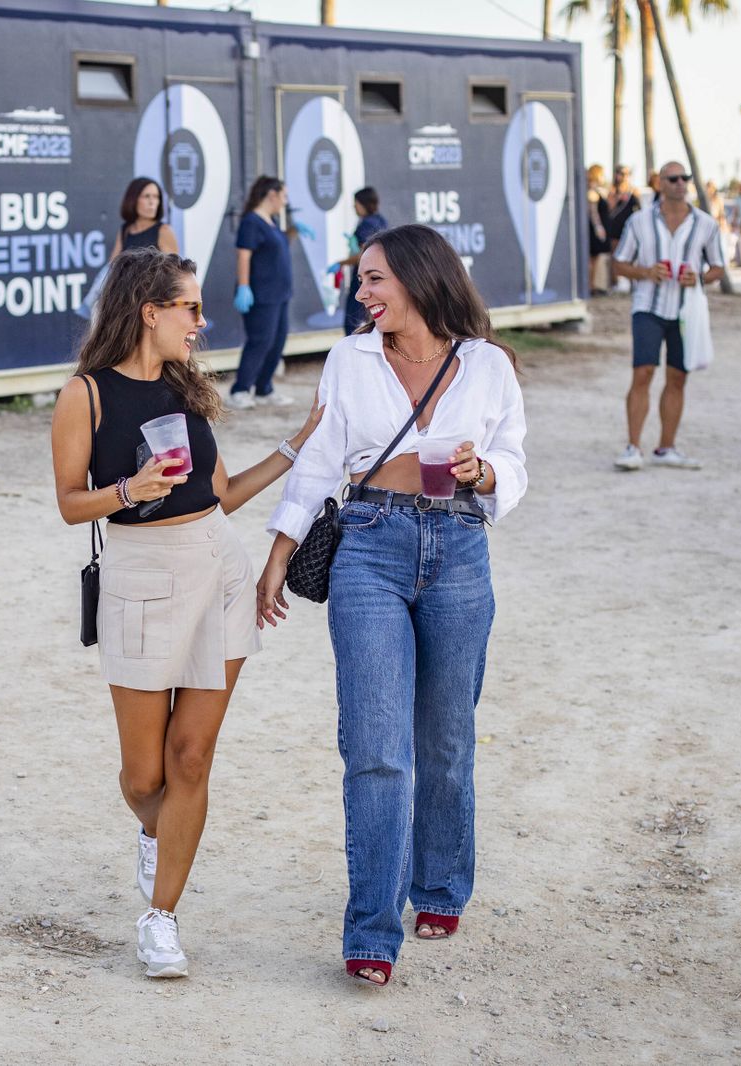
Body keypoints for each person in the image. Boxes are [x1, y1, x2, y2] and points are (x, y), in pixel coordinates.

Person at [255, 224, 527, 989]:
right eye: (362, 282)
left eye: (375, 280)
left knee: (445, 738)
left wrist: (482, 472)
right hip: (368, 545)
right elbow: (317, 463)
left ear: (418, 278)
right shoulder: (349, 359)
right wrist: (279, 553)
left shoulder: (487, 366)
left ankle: (439, 884)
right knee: (377, 745)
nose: (363, 294)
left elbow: (515, 460)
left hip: (459, 548)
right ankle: (372, 927)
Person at [49, 248, 323, 979]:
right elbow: (70, 502)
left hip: (217, 566)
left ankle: (161, 919)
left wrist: (299, 444)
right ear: (151, 310)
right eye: (191, 309)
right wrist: (130, 489)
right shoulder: (86, 395)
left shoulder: (186, 387)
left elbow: (222, 493)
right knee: (144, 778)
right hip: (139, 574)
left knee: (191, 757)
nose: (202, 322)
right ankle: (156, 831)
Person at [610, 160, 726, 472]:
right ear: (659, 183)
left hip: (686, 311)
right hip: (648, 306)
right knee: (643, 373)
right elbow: (619, 264)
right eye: (672, 178)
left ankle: (666, 448)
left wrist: (699, 276)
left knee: (678, 377)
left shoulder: (705, 224)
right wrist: (646, 272)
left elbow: (718, 267)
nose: (680, 183)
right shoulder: (639, 222)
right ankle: (633, 447)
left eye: (684, 178)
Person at [231, 176, 309, 409]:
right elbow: (243, 255)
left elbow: (278, 246)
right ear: (271, 194)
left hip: (280, 294)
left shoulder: (271, 220)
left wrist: (294, 231)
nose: (285, 201)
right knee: (260, 341)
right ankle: (240, 390)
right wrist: (244, 287)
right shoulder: (251, 222)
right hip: (261, 294)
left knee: (277, 342)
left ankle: (264, 388)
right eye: (283, 196)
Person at [336, 186, 389, 333]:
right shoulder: (381, 220)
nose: (354, 207)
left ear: (363, 203)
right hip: (380, 277)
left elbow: (364, 254)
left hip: (363, 279)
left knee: (354, 321)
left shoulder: (366, 224)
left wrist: (341, 263)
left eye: (356, 203)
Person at [109, 178, 181, 259]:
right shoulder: (125, 230)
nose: (152, 202)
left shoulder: (164, 230)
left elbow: (174, 268)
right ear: (133, 199)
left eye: (156, 197)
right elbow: (113, 265)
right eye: (146, 196)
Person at [603, 167, 642, 291]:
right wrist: (618, 196)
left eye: (625, 174)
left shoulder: (633, 191)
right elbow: (609, 208)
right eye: (620, 174)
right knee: (615, 256)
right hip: (615, 228)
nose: (622, 176)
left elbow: (640, 209)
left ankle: (632, 283)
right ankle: (615, 282)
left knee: (630, 257)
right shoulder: (613, 191)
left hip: (629, 228)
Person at [585, 164, 609, 294]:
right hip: (594, 230)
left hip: (595, 228)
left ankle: (593, 285)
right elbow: (593, 213)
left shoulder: (595, 190)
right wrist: (598, 227)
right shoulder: (592, 192)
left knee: (595, 259)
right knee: (593, 259)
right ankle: (591, 286)